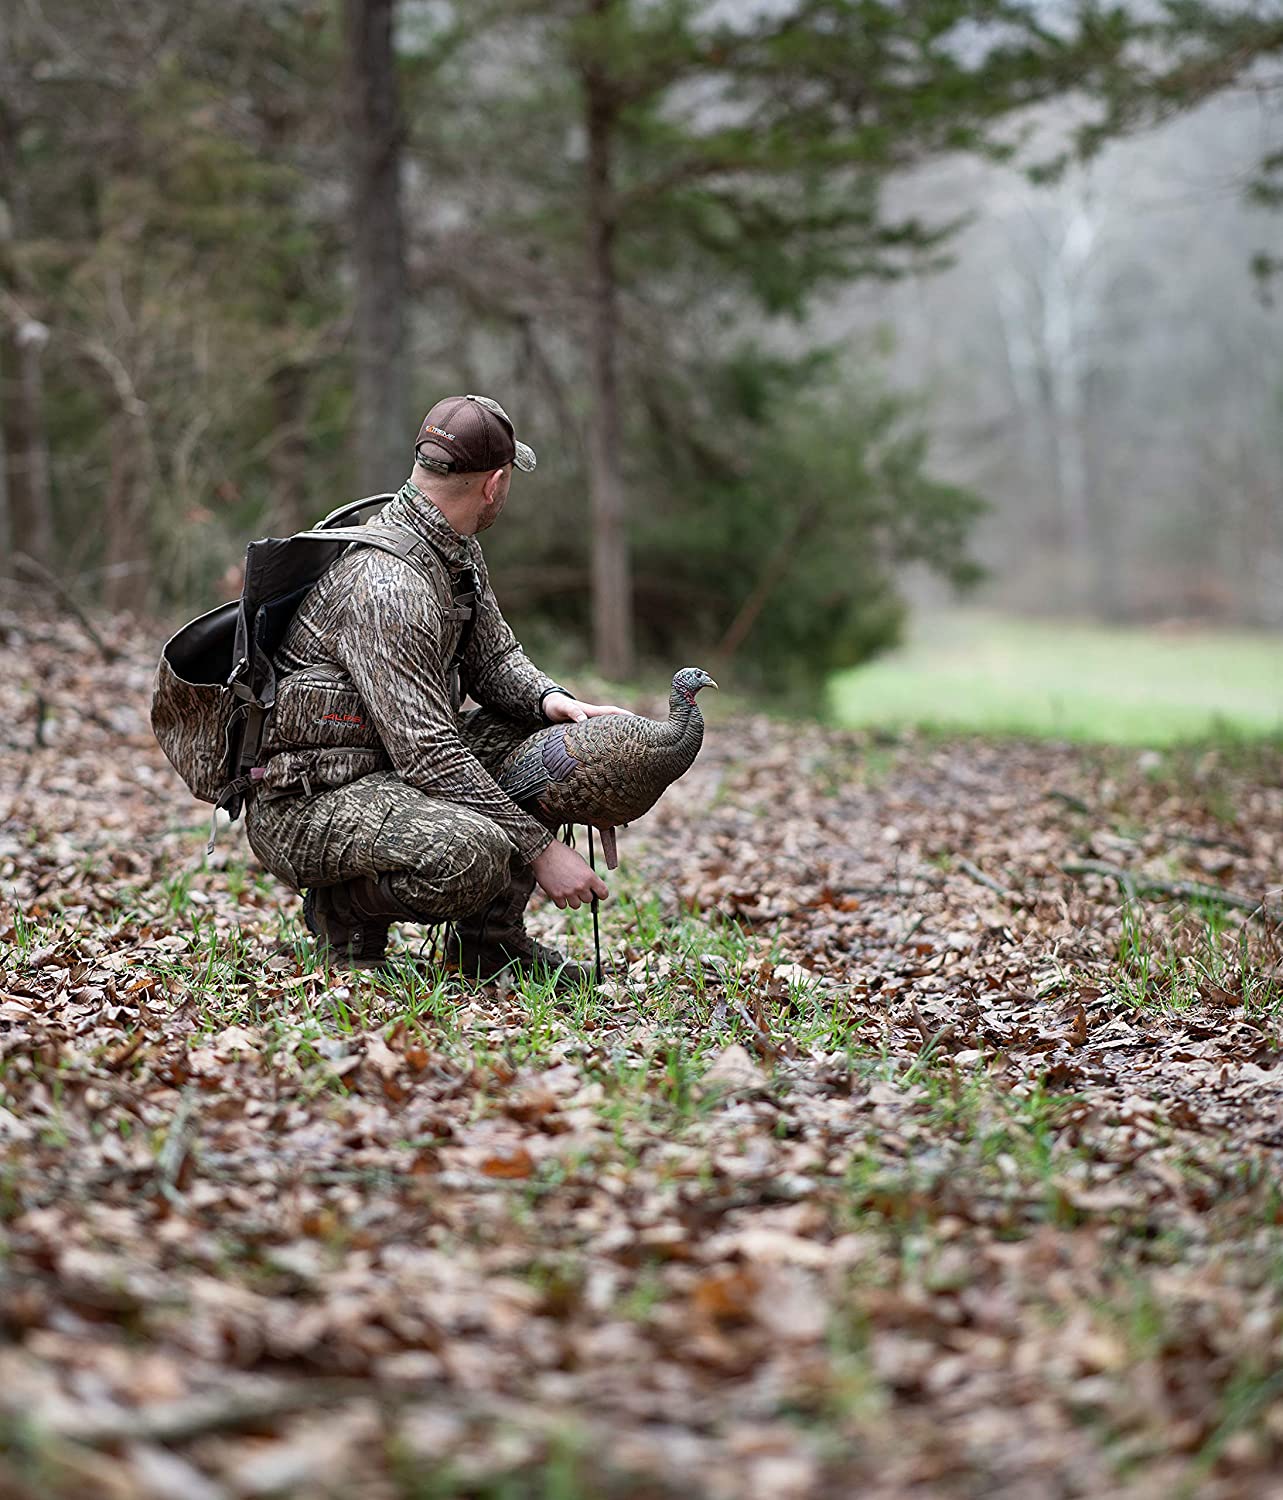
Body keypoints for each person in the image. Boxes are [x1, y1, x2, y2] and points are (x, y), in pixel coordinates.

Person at [244, 393, 623, 986]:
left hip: (387, 774)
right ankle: (341, 911)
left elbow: (494, 661)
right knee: (472, 853)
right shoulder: (390, 585)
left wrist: (553, 703)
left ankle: (488, 945)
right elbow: (430, 753)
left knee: (551, 744)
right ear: (495, 484)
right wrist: (540, 850)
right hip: (310, 799)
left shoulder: (454, 551)